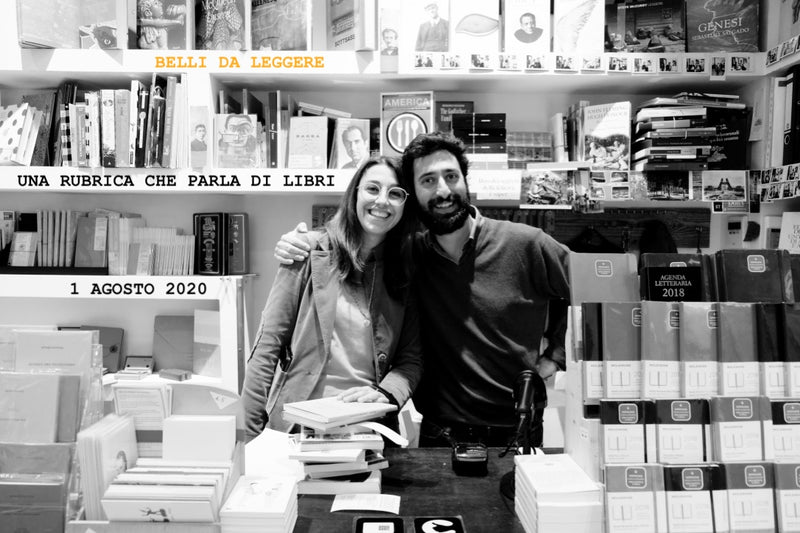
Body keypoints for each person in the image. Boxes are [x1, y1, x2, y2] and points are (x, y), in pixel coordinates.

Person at [275, 133, 571, 448]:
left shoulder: (526, 243)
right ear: (413, 195)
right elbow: (354, 245)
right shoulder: (409, 256)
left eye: (451, 176)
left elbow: (595, 290)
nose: (443, 191)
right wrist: (304, 242)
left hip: (518, 428)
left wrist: (556, 355)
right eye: (428, 180)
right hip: (440, 433)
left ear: (465, 181)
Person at [243, 156, 423, 440]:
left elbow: (411, 359)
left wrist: (387, 392)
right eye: (372, 188)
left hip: (366, 426)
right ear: (355, 194)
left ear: (404, 204)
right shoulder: (308, 251)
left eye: (395, 193)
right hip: (297, 424)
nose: (382, 201)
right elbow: (267, 345)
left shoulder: (404, 271)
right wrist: (252, 437)